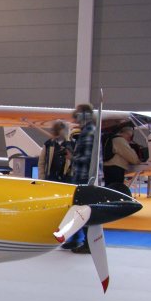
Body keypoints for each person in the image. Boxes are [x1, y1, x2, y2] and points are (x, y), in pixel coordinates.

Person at [66, 103, 97, 253]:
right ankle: (77, 239)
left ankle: (87, 243)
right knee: (80, 208)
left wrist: (72, 157)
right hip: (84, 177)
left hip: (84, 178)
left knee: (83, 210)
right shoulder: (89, 131)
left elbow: (87, 158)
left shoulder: (88, 132)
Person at [103, 124, 140, 192]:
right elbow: (132, 157)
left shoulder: (112, 138)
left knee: (110, 189)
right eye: (130, 137)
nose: (130, 139)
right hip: (116, 169)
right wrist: (138, 160)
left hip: (109, 168)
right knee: (116, 190)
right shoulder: (119, 140)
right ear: (127, 134)